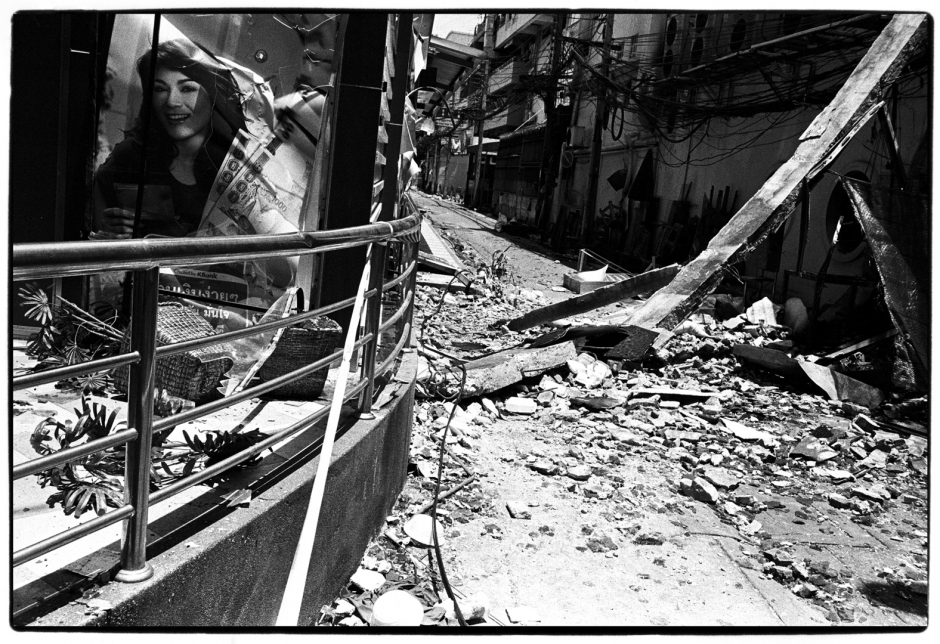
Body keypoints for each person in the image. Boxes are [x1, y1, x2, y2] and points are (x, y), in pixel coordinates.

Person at [93, 38, 297, 290]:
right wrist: (108, 230)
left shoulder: (243, 163)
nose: (172, 101)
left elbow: (289, 265)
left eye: (187, 88)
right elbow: (94, 229)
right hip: (150, 294)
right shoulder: (130, 156)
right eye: (159, 89)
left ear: (213, 95)